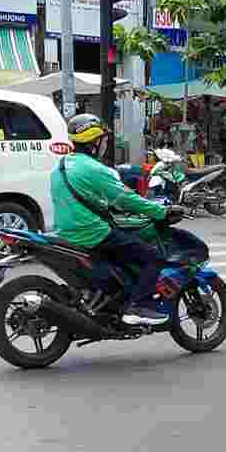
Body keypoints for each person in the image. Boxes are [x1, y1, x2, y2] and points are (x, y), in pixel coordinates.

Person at [52, 112, 181, 327]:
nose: (104, 144)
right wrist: (161, 212)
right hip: (93, 234)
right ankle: (138, 306)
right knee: (153, 257)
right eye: (103, 140)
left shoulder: (62, 165)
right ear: (94, 142)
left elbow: (87, 199)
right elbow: (126, 198)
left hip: (65, 233)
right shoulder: (95, 168)